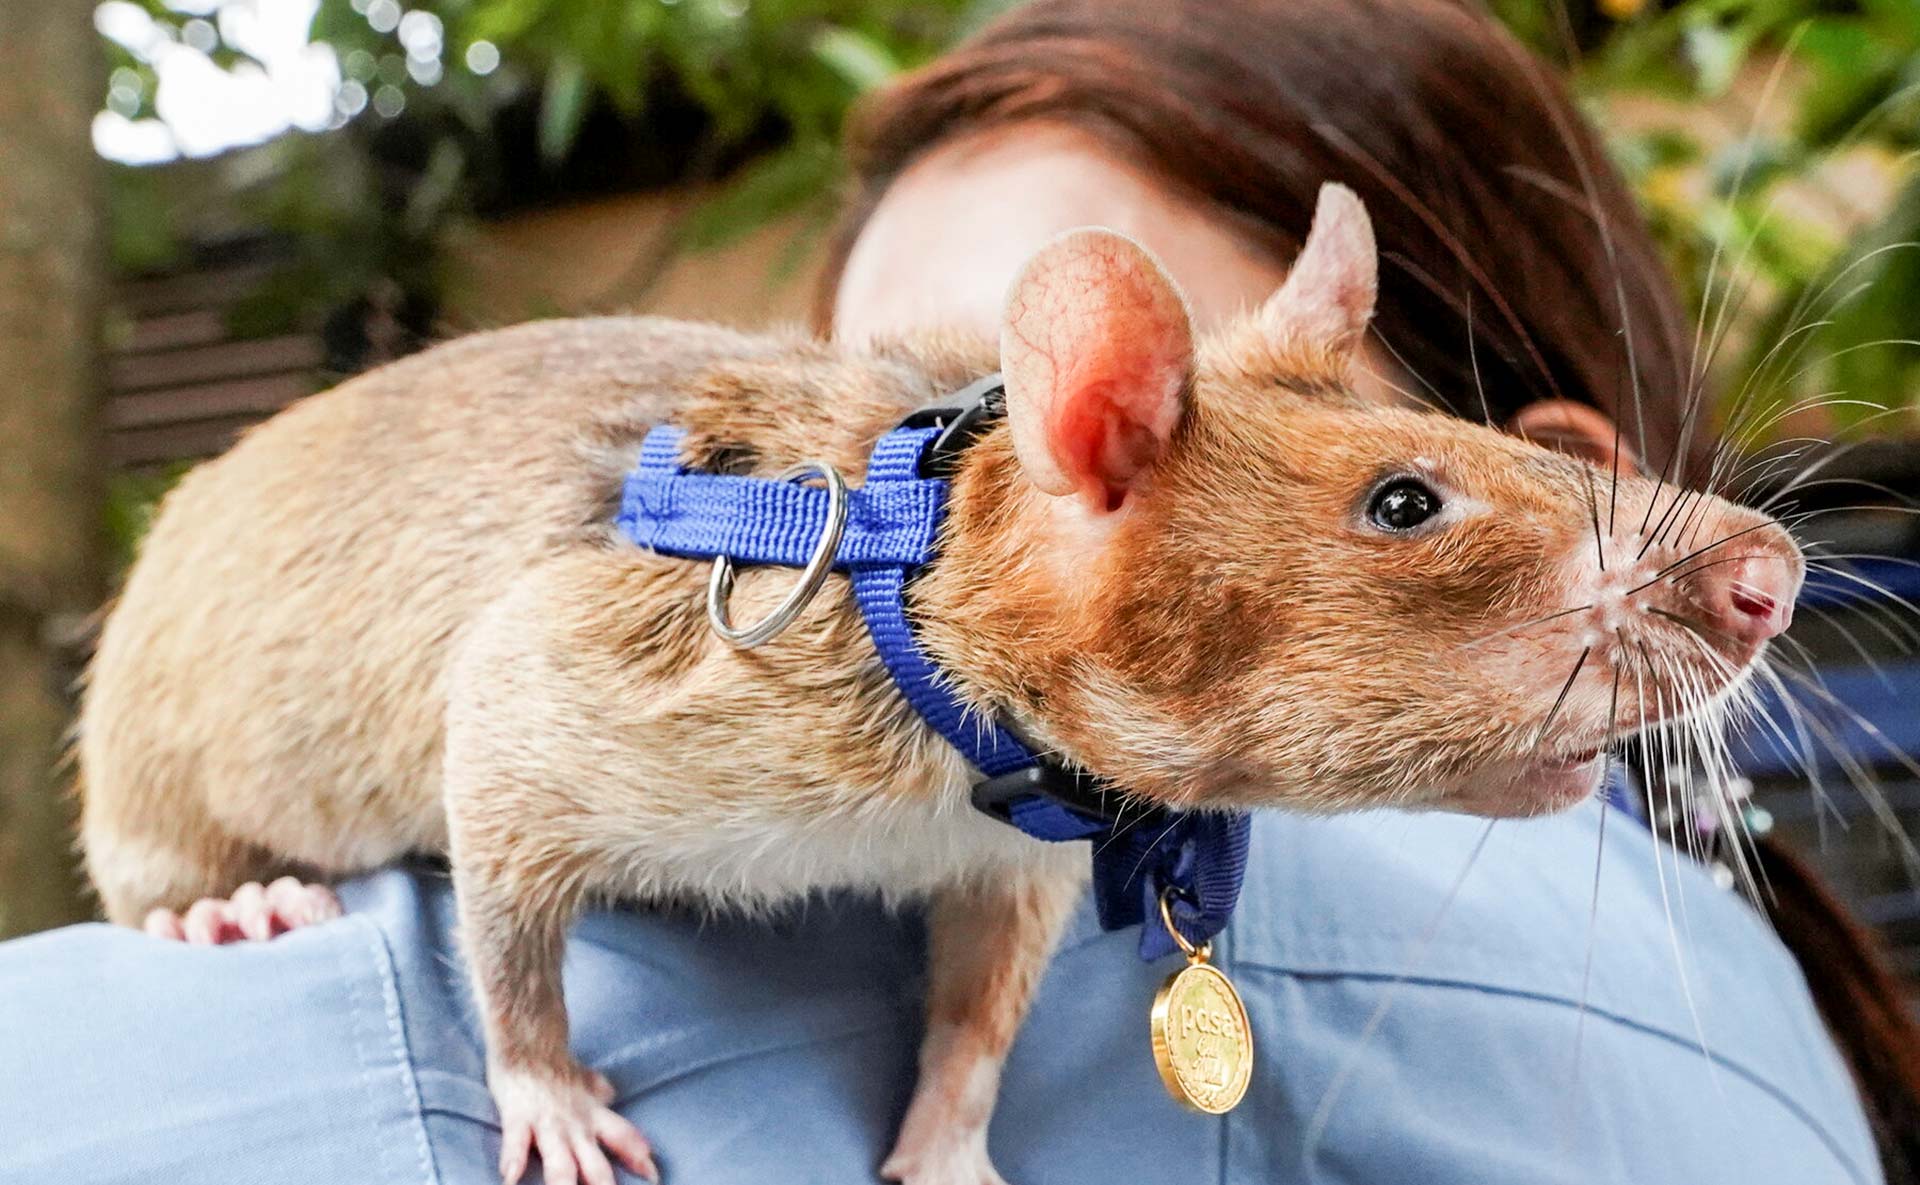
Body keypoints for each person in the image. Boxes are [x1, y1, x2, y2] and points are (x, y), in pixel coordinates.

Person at [2, 2, 1909, 1183]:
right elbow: (526, 727)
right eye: (918, 397)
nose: (944, 471)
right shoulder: (1778, 1034)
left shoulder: (1176, 792)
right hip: (230, 792)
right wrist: (524, 1055)